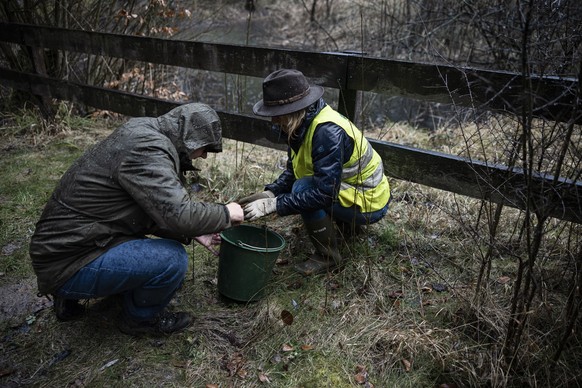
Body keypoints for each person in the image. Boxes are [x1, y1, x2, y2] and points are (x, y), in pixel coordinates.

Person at [29, 103, 244, 336]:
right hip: (68, 259)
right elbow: (178, 214)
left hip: (66, 246)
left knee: (154, 256)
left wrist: (194, 231)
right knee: (172, 261)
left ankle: (69, 294)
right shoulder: (148, 150)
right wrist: (225, 213)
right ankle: (141, 320)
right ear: (190, 139)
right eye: (204, 148)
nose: (203, 156)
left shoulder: (142, 131)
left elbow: (146, 211)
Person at [240, 69, 391, 276]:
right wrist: (271, 193)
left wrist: (274, 205)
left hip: (369, 201)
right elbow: (296, 169)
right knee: (300, 185)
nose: (273, 121)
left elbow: (324, 194)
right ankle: (347, 227)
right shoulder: (300, 126)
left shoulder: (326, 132)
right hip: (350, 191)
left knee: (303, 188)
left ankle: (329, 256)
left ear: (291, 110)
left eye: (275, 115)